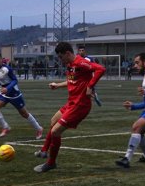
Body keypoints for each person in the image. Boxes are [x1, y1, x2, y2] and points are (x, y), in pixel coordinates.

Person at [34, 42, 106, 173]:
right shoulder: (70, 65)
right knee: (53, 121)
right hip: (71, 102)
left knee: (56, 131)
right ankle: (44, 151)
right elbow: (72, 81)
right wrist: (57, 85)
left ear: (67, 54)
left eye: (61, 57)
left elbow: (101, 69)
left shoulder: (80, 62)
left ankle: (50, 163)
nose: (60, 60)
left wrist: (90, 86)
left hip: (80, 105)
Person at [0, 52, 43, 139]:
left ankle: (39, 128)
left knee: (24, 114)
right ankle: (6, 127)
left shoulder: (7, 69)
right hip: (2, 93)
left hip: (14, 93)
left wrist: (7, 88)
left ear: (1, 59)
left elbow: (15, 80)